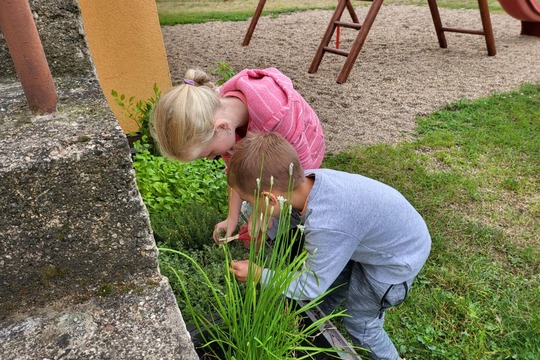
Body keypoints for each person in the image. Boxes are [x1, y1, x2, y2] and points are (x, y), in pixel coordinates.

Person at [228, 132, 432, 360]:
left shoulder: (327, 225)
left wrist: (259, 275)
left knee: (360, 323)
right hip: (368, 239)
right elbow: (293, 212)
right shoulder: (308, 183)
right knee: (320, 300)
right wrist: (267, 231)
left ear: (271, 199)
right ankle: (307, 330)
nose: (252, 208)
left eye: (252, 202)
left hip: (395, 259)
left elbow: (310, 285)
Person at [150, 67, 325, 242]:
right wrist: (232, 218)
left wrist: (265, 213)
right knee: (252, 209)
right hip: (263, 144)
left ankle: (300, 231)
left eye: (210, 153)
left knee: (295, 209)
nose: (212, 158)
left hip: (303, 154)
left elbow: (298, 176)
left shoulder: (279, 115)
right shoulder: (219, 114)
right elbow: (236, 171)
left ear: (222, 127)